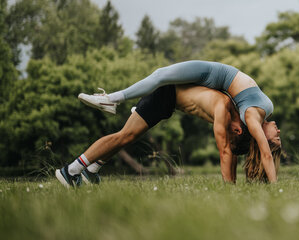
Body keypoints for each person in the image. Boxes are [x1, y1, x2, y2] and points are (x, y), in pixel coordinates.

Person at [77, 60, 280, 183]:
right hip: (210, 80)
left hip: (211, 74)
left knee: (160, 75)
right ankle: (93, 166)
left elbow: (260, 154)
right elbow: (235, 151)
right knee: (160, 81)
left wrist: (273, 185)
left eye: (276, 140)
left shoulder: (251, 117)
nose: (279, 133)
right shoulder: (259, 114)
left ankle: (111, 99)